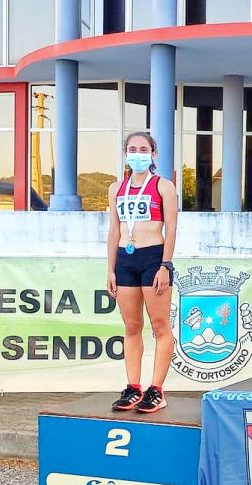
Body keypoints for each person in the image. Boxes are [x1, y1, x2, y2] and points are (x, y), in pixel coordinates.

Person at [106, 132, 178, 413]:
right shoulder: (116, 188)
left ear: (153, 154)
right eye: (133, 149)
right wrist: (110, 269)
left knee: (160, 325)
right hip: (125, 260)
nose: (138, 154)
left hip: (153, 257)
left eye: (143, 149)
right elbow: (114, 230)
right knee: (131, 326)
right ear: (126, 154)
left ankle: (156, 389)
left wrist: (165, 265)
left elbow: (171, 228)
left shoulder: (163, 186)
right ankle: (133, 387)